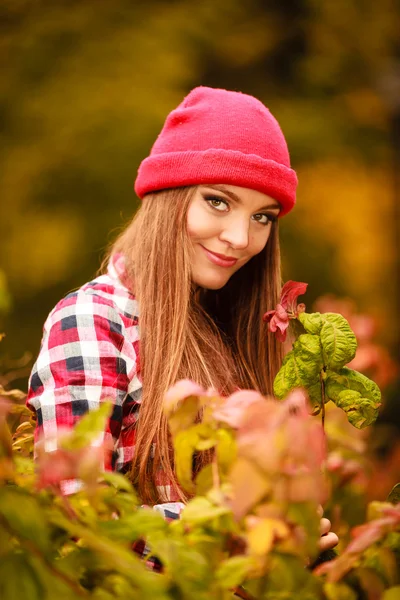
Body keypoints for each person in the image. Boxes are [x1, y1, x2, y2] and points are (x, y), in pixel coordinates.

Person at [26, 86, 338, 553]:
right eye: (218, 201)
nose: (239, 237)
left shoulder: (249, 331)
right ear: (169, 196)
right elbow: (79, 523)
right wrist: (231, 533)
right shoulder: (95, 321)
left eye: (263, 217)